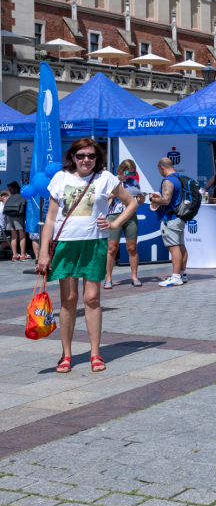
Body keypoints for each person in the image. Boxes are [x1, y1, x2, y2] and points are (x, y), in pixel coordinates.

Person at [36, 138, 138, 373]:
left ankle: (95, 353)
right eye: (81, 155)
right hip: (65, 245)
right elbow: (51, 218)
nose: (86, 160)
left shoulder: (105, 178)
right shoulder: (60, 178)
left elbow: (131, 203)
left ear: (97, 158)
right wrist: (43, 252)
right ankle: (66, 355)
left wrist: (115, 224)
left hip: (94, 244)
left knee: (92, 299)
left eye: (91, 156)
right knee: (69, 299)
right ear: (72, 156)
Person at [104, 160, 145, 288]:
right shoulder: (111, 180)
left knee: (132, 248)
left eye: (133, 172)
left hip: (130, 216)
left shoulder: (134, 182)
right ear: (121, 169)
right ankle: (108, 279)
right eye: (128, 172)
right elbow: (103, 196)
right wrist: (117, 193)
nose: (130, 175)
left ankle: (134, 277)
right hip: (114, 215)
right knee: (112, 249)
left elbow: (141, 201)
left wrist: (141, 197)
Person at [148, 158, 188, 287]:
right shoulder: (180, 178)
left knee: (174, 247)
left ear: (162, 167)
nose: (159, 172)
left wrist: (152, 198)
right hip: (180, 217)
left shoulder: (168, 180)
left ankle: (176, 277)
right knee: (180, 246)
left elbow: (165, 200)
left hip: (170, 219)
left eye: (159, 169)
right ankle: (182, 274)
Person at [4, 182, 27, 260]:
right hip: (19, 216)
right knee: (22, 236)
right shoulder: (22, 196)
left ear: (15, 188)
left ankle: (14, 254)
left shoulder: (10, 198)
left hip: (10, 216)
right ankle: (23, 254)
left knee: (13, 236)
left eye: (10, 190)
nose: (10, 191)